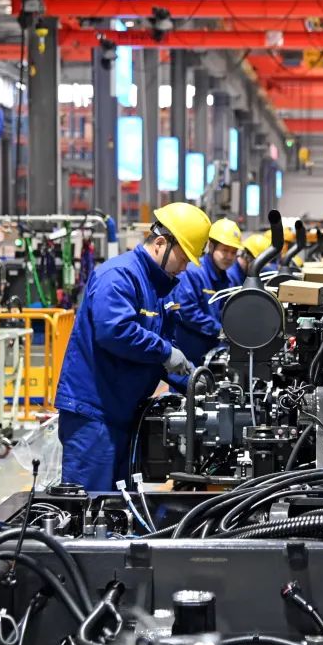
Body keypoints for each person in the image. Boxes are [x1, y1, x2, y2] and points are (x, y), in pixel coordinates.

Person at [55, 202, 211, 491]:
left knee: (117, 504)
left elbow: (162, 352)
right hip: (94, 413)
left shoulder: (161, 288)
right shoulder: (119, 275)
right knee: (90, 503)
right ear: (161, 243)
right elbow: (115, 331)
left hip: (123, 411)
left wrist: (191, 382)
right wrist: (166, 353)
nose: (185, 267)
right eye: (183, 257)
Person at [168, 217, 243, 365]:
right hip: (191, 353)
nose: (229, 256)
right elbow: (187, 311)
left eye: (233, 252)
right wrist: (220, 330)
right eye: (225, 250)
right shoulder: (193, 272)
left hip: (215, 353)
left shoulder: (229, 279)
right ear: (211, 246)